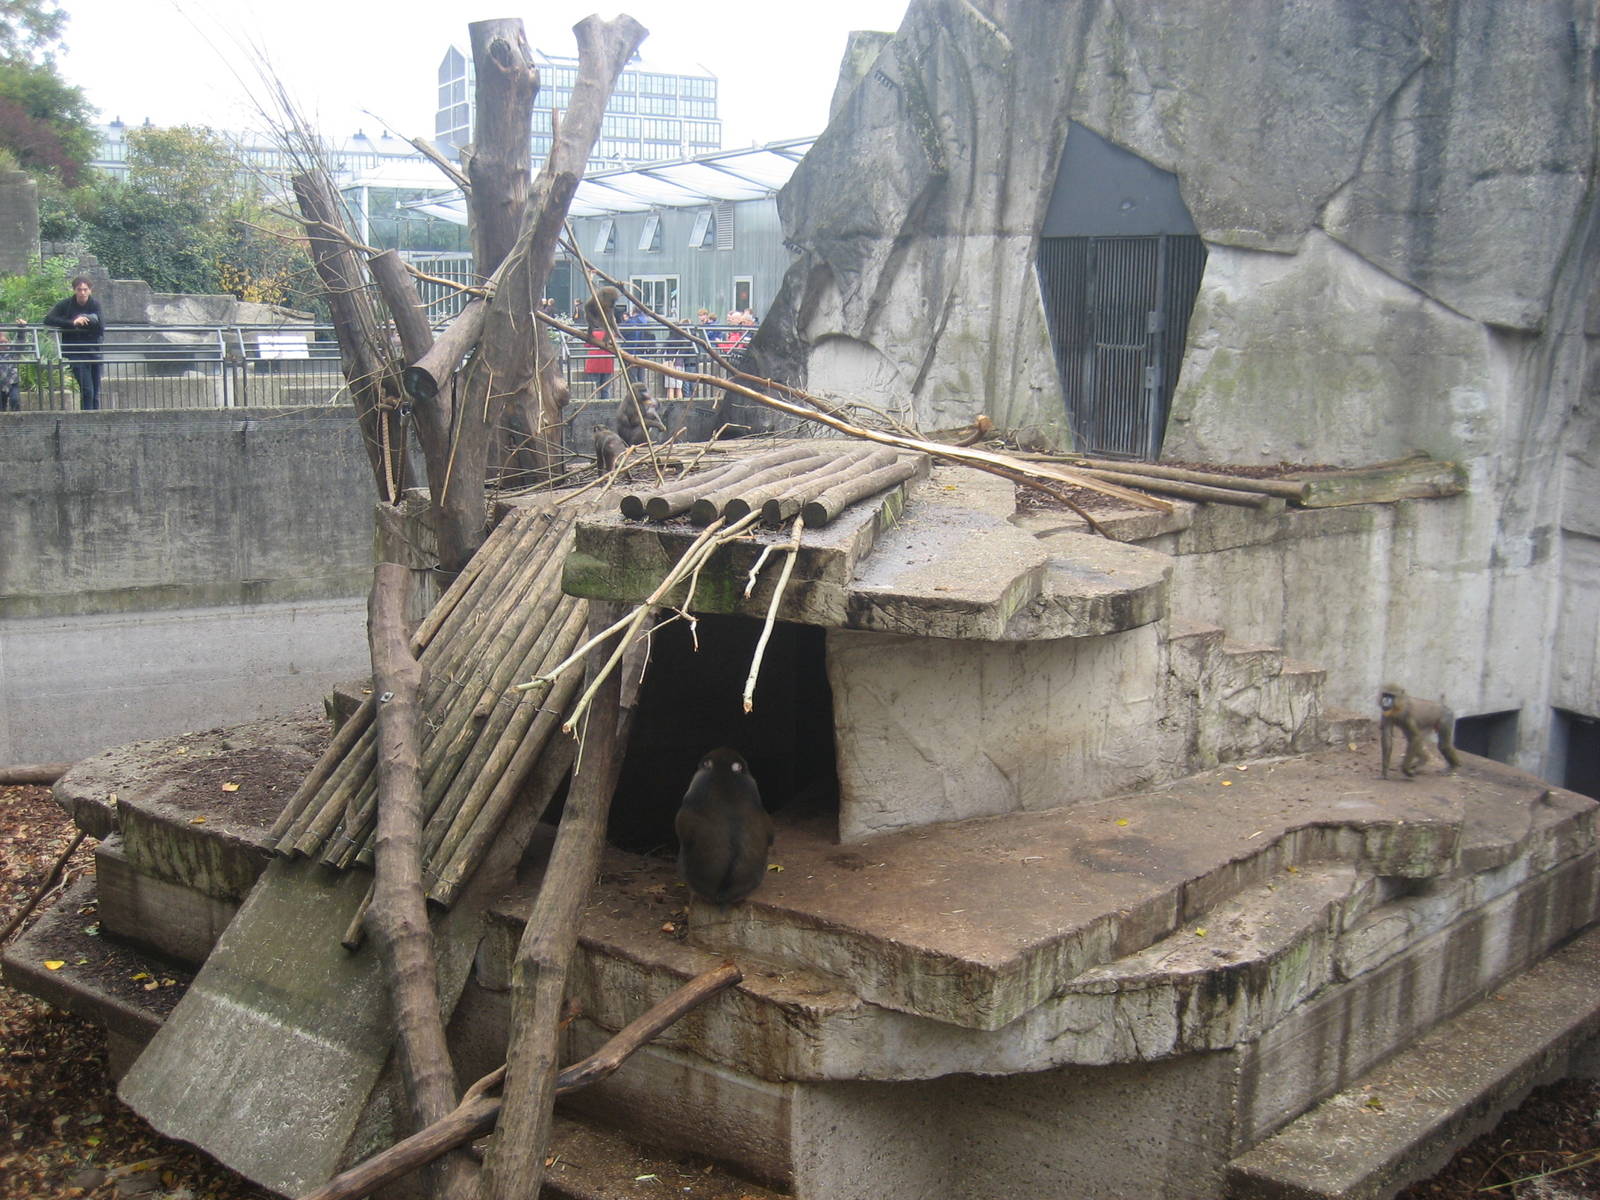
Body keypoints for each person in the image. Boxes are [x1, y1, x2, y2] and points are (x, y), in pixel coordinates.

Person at [43, 277, 105, 411]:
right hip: (75, 353)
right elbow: (48, 319)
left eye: (85, 290)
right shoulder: (66, 304)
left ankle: (96, 420)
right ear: (74, 290)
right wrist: (73, 322)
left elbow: (101, 326)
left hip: (94, 352)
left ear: (90, 290)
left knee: (95, 393)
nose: (82, 293)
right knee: (87, 390)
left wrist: (86, 318)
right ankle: (87, 420)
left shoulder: (95, 304)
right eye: (79, 290)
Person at [0, 324, 23, 411]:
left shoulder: (12, 349)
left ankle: (16, 418)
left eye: (3, 341)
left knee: (15, 399)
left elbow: (21, 343)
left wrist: (21, 330)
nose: (2, 342)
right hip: (0, 381)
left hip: (12, 381)